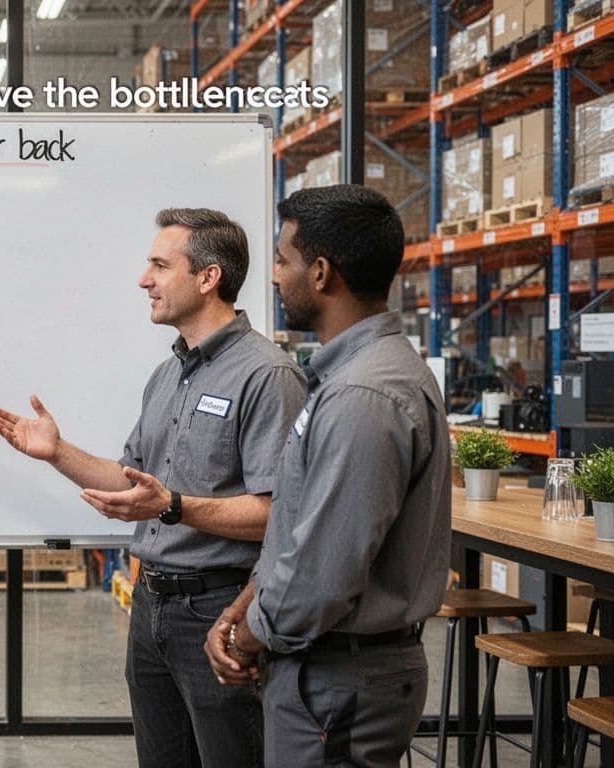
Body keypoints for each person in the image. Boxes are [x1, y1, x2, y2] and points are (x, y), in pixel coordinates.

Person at [0, 208, 304, 768]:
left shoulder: (266, 375)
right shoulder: (169, 375)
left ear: (208, 278)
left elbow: (278, 513)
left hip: (220, 610)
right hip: (151, 607)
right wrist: (56, 451)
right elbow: (130, 480)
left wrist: (175, 507)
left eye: (159, 264)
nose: (143, 279)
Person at [205, 184, 451, 767]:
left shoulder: (364, 395)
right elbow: (299, 528)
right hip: (326, 668)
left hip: (337, 679)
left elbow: (324, 572)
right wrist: (244, 605)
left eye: (284, 260)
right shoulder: (347, 381)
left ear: (320, 273)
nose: (274, 276)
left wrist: (247, 635)